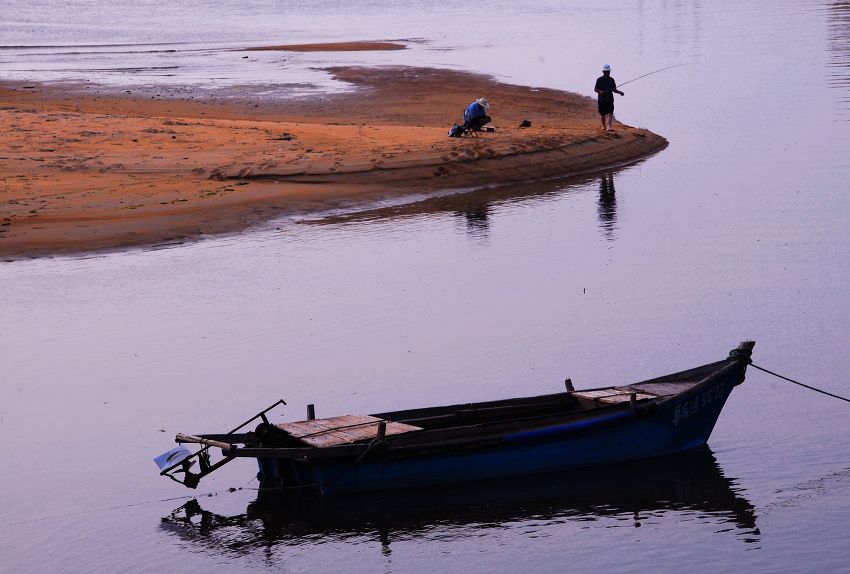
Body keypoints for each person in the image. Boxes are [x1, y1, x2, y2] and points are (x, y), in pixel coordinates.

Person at [594, 64, 624, 131]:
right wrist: (600, 92)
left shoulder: (612, 80)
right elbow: (595, 89)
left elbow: (614, 89)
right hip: (602, 99)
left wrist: (620, 92)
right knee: (602, 114)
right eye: (606, 71)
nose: (608, 72)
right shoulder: (599, 79)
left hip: (610, 99)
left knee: (610, 112)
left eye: (609, 71)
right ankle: (604, 126)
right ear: (603, 71)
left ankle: (609, 127)